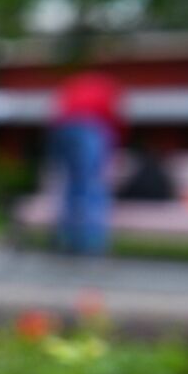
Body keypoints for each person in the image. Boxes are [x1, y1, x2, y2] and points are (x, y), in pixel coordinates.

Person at [51, 72, 121, 255]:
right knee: (93, 185)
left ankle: (66, 238)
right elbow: (112, 114)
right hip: (90, 127)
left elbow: (58, 107)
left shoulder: (73, 83)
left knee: (71, 186)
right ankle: (92, 244)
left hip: (63, 127)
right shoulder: (107, 85)